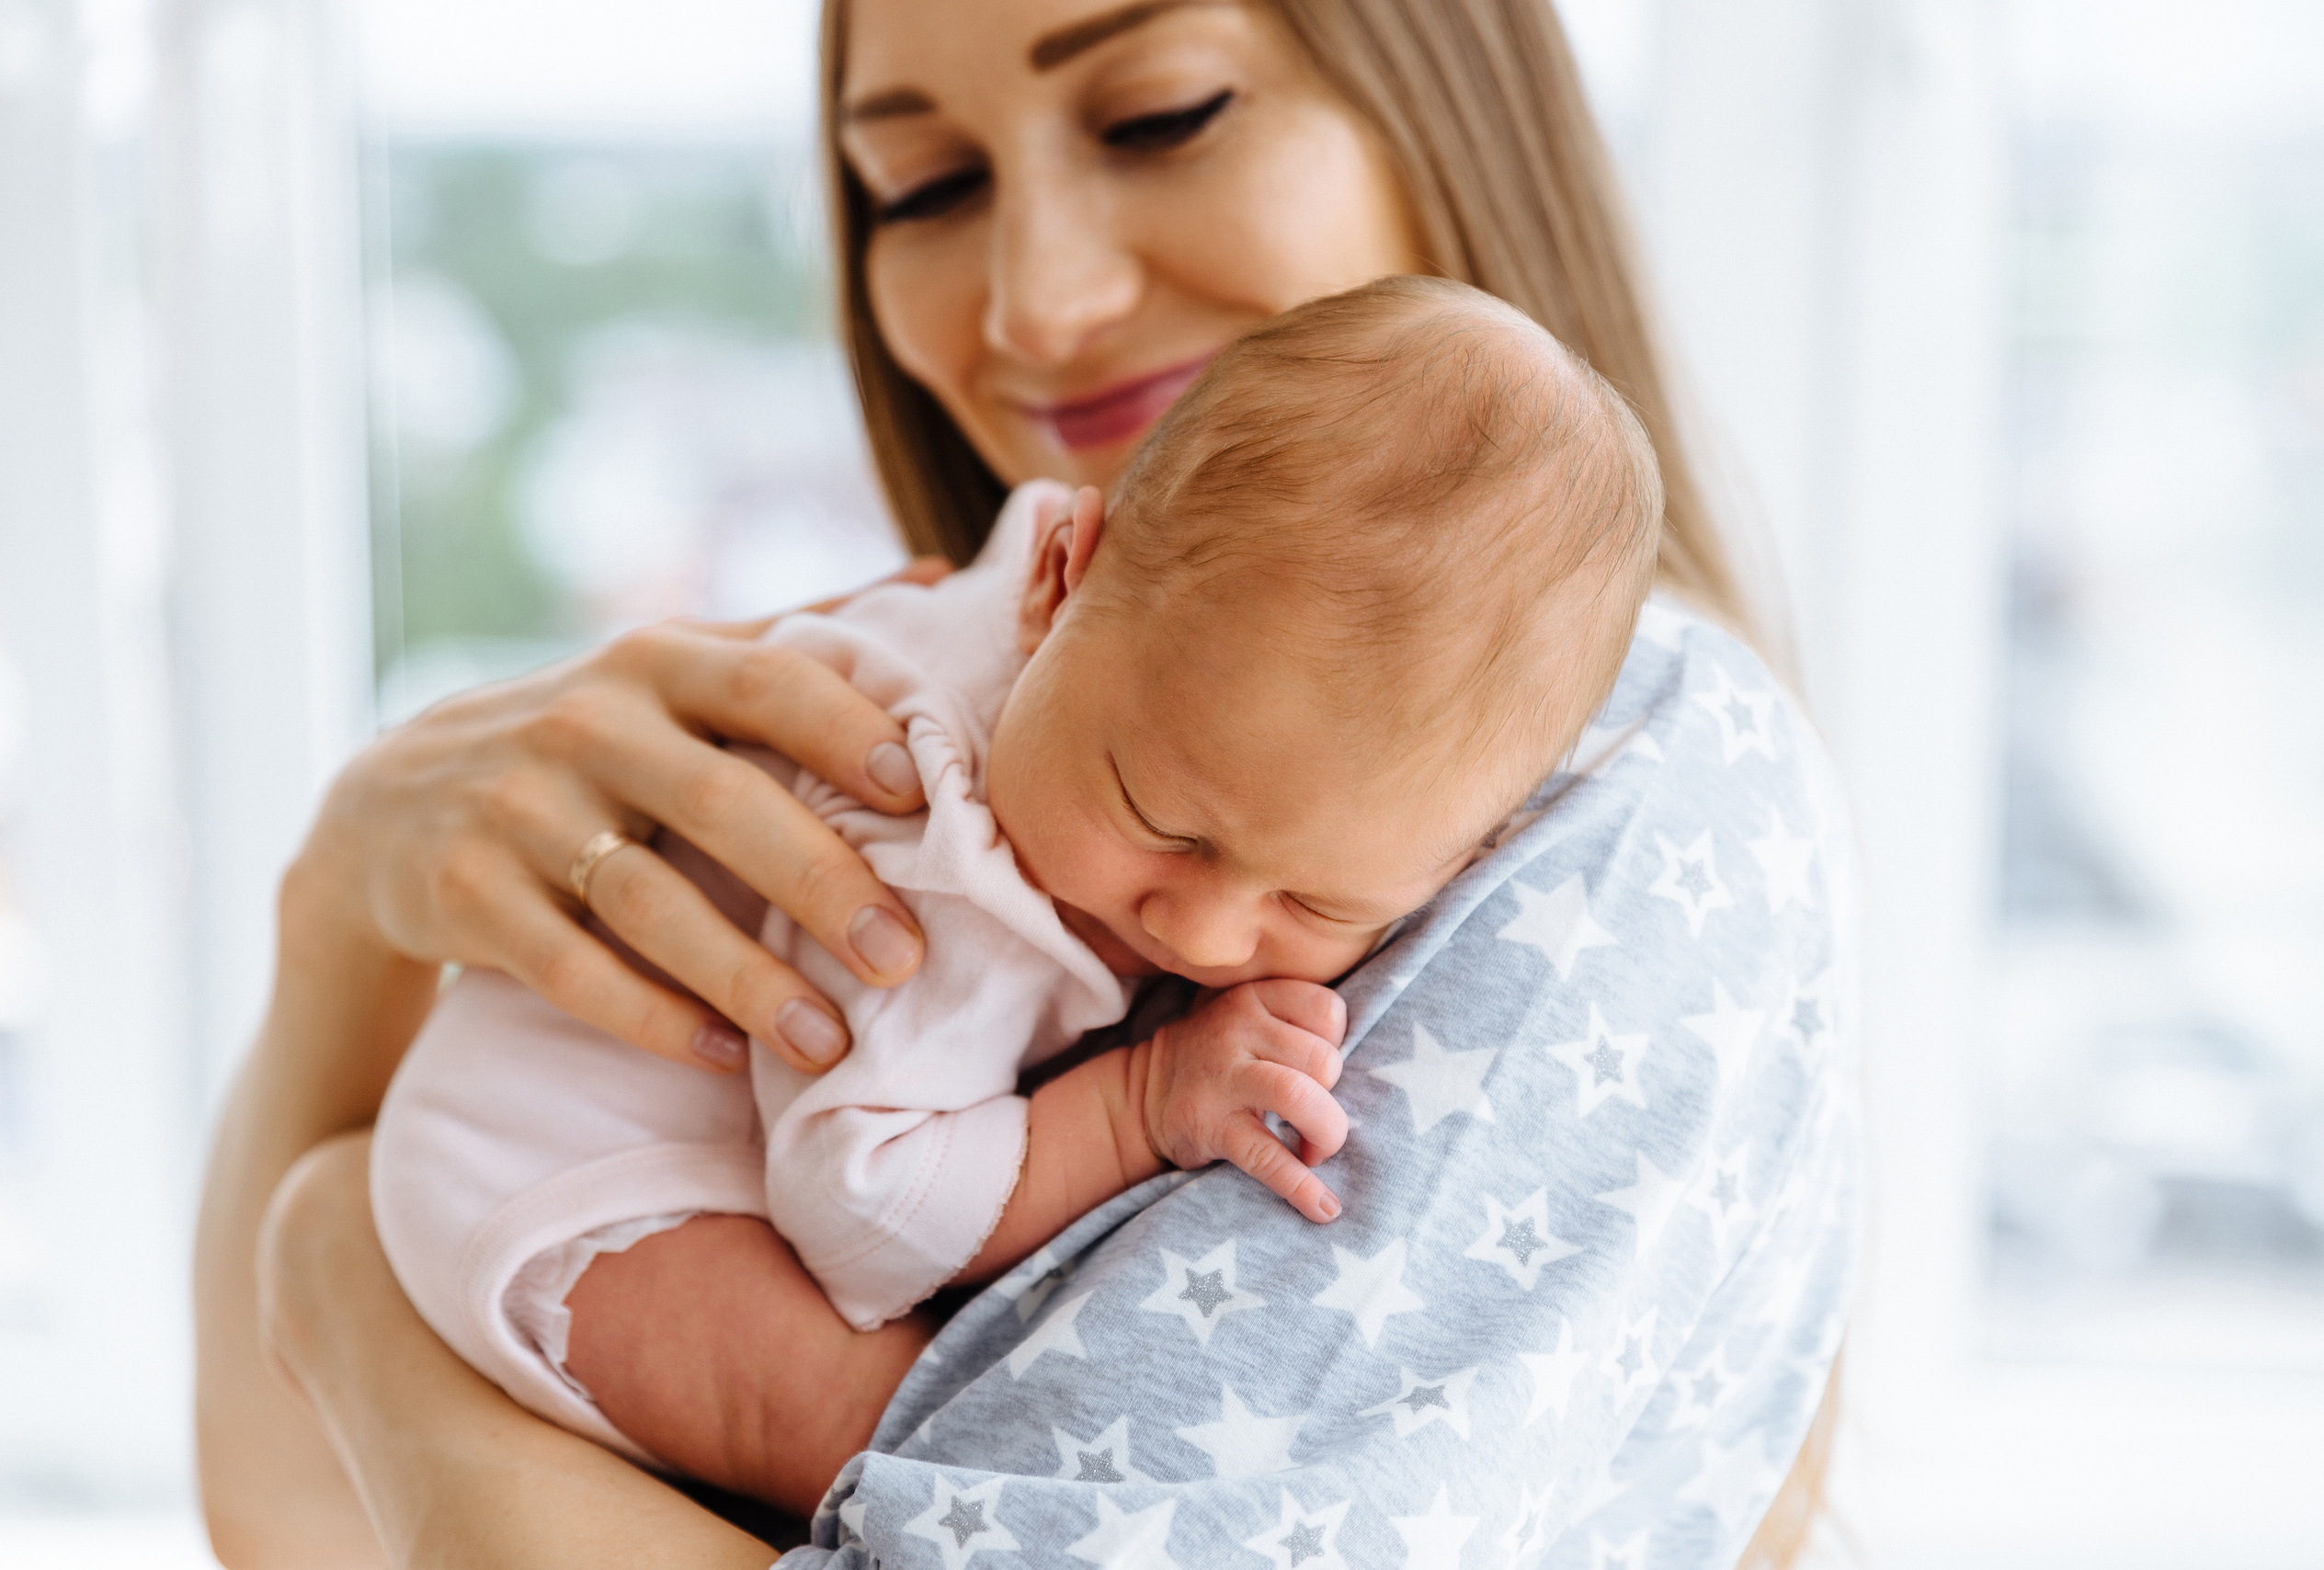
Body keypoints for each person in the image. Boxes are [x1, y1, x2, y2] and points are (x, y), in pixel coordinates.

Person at [194, 2, 1855, 1566]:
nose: (1033, 304)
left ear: (1447, 91)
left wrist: (336, 1264)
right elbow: (282, 1524)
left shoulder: (1629, 778)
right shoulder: (930, 732)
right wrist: (343, 910)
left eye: (1162, 114)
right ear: (1067, 576)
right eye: (924, 182)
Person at [370, 278, 1667, 1500]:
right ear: (1061, 581)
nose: (1205, 932)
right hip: (563, 1172)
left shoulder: (1148, 646)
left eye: (1321, 905)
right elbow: (863, 1213)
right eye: (1162, 822)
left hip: (712, 1127)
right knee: (904, 1432)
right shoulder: (941, 854)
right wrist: (1142, 1104)